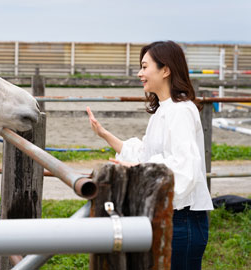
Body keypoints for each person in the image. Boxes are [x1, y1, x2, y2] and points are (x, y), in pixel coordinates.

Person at [86, 40, 213, 270]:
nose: (140, 73)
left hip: (182, 219)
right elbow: (145, 153)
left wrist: (137, 168)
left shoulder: (181, 111)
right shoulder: (163, 110)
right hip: (168, 214)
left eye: (145, 67)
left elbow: (184, 167)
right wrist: (104, 134)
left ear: (165, 70)